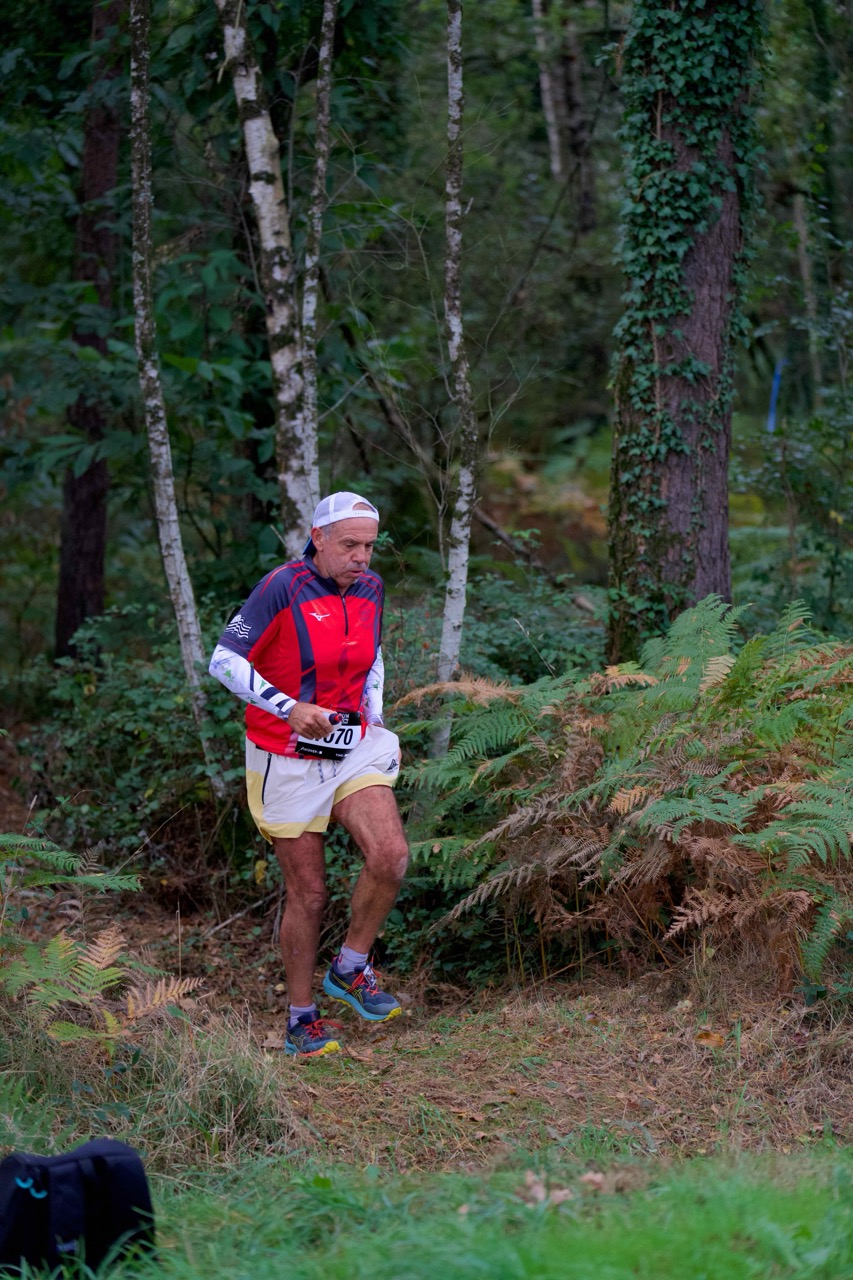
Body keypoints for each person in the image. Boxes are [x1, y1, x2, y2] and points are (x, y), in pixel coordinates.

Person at [209, 492, 409, 1057]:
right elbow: (224, 660)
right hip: (285, 754)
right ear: (318, 538)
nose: (361, 557)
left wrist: (374, 713)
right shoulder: (282, 587)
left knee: (391, 855)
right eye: (349, 545)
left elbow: (372, 655)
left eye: (369, 546)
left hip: (350, 746)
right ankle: (301, 1018)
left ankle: (349, 967)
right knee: (310, 894)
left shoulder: (371, 587)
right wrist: (288, 706)